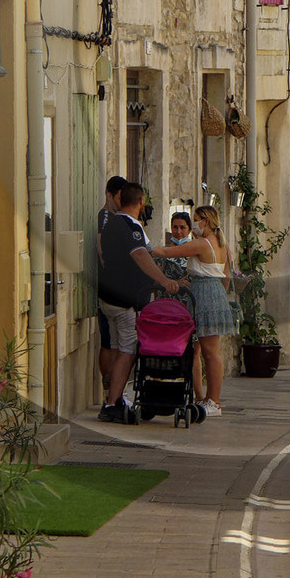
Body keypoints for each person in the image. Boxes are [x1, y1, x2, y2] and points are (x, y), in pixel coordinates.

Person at [95, 179, 186, 427]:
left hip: (109, 298)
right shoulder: (129, 226)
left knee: (117, 348)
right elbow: (140, 255)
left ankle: (113, 399)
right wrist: (165, 281)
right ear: (141, 202)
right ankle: (112, 403)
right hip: (125, 301)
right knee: (128, 351)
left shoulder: (111, 223)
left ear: (119, 199)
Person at [155, 203, 233, 414]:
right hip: (215, 293)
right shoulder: (222, 244)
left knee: (210, 352)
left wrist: (144, 248)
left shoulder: (203, 243)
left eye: (196, 220)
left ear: (205, 221)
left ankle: (213, 401)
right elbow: (227, 276)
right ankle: (208, 398)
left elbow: (168, 251)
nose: (195, 224)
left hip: (204, 293)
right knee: (209, 351)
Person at [95, 176, 126, 394]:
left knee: (116, 342)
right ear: (109, 195)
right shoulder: (105, 216)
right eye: (120, 197)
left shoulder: (117, 217)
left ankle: (115, 389)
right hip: (109, 289)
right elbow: (101, 246)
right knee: (108, 341)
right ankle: (109, 389)